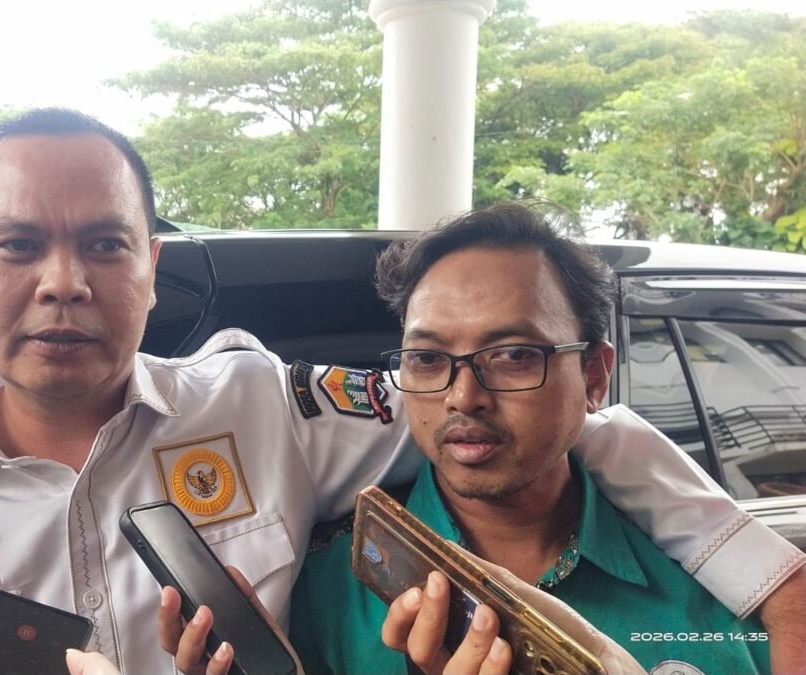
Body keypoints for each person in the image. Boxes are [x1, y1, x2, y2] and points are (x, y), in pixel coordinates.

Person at [0, 109, 805, 674]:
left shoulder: (259, 406)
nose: (63, 281)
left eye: (106, 244)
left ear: (151, 266)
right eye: (18, 244)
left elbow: (532, 418)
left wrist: (771, 576)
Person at [287, 204, 775, 673]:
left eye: (514, 355)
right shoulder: (322, 592)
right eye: (428, 359)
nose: (463, 397)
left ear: (593, 377)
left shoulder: (728, 588)